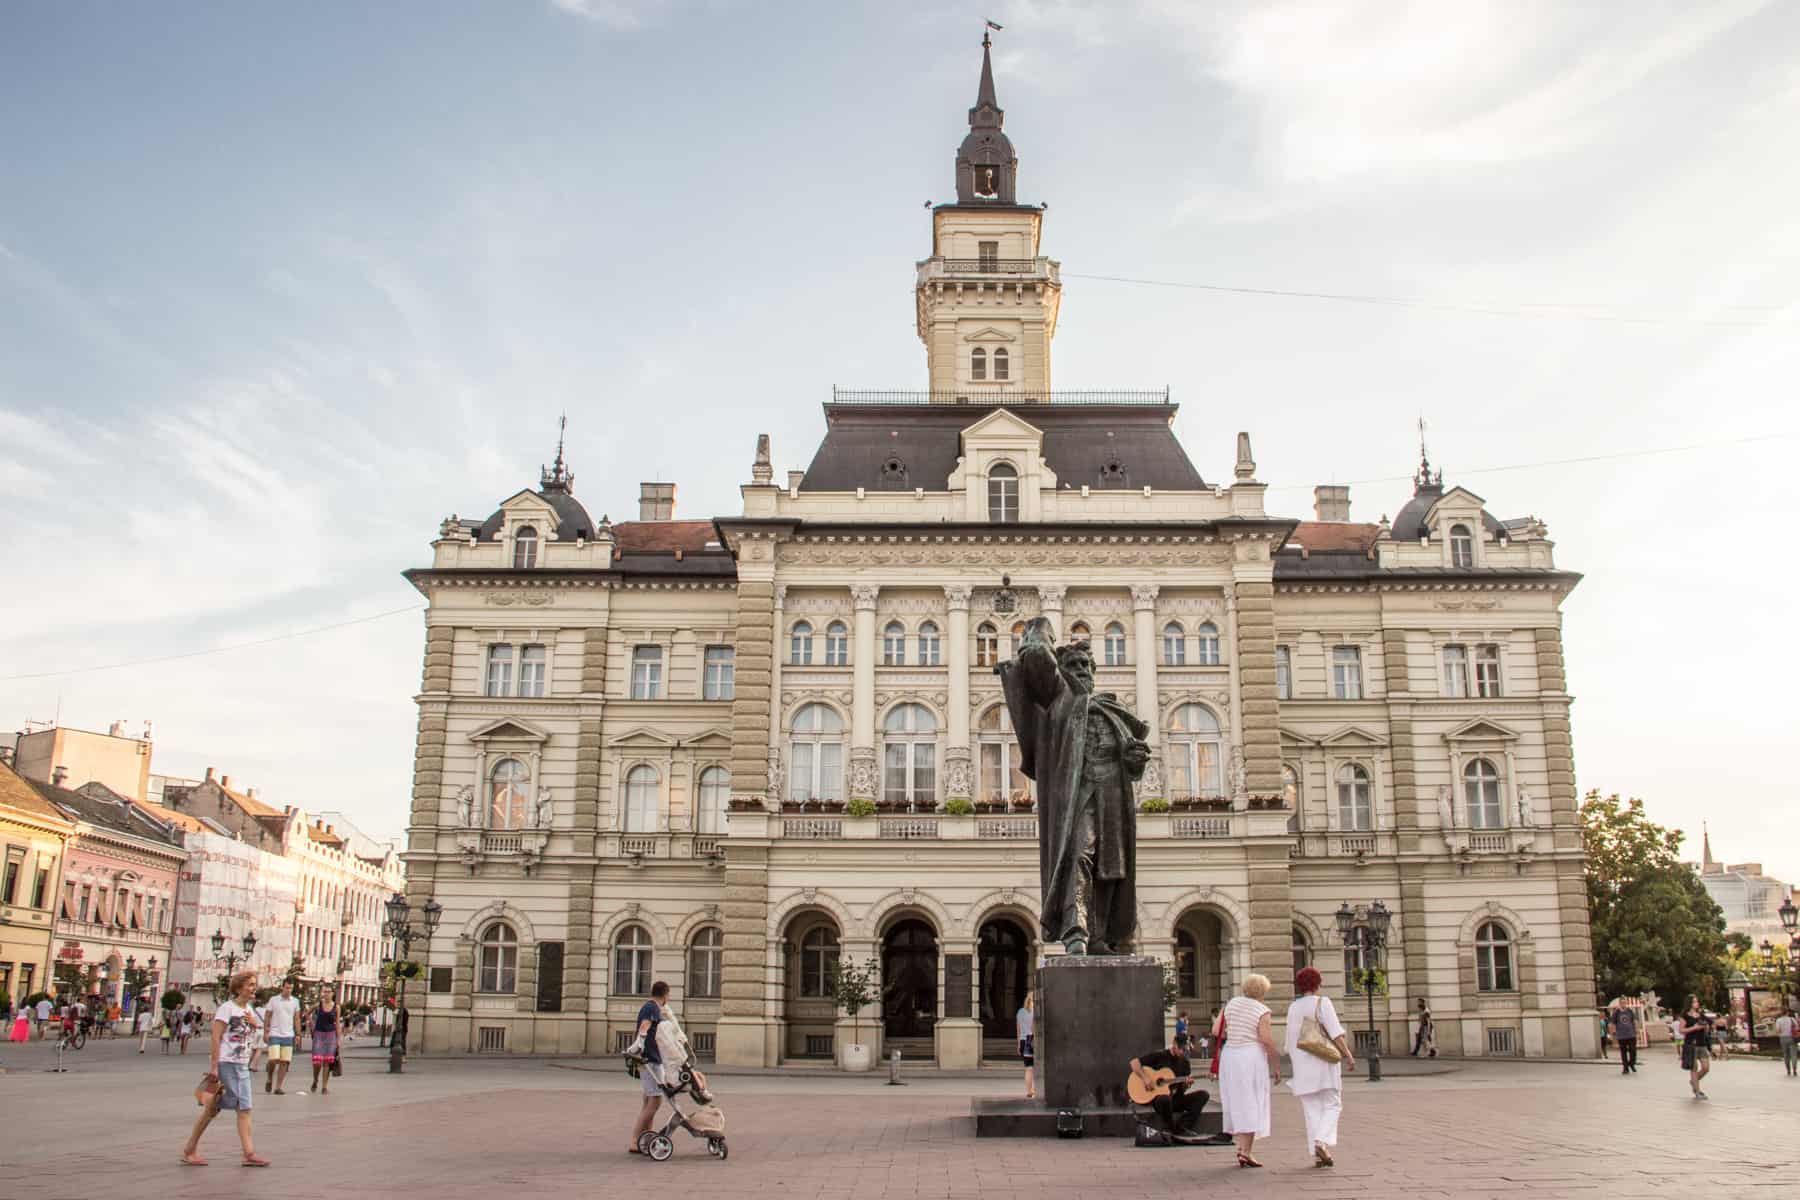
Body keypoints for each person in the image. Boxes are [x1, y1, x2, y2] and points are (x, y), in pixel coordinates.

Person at [180, 969, 269, 1167]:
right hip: (227, 1064)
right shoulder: (226, 1009)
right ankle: (190, 1149)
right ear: (239, 988)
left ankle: (248, 1153)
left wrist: (255, 1024)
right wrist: (214, 1066)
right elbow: (216, 1036)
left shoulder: (249, 1010)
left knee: (242, 1108)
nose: (254, 988)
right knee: (219, 1109)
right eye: (250, 984)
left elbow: (253, 1035)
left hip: (242, 1066)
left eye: (255, 984)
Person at [1286, 966, 1355, 1168]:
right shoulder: (1323, 1002)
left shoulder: (1293, 1007)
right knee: (1333, 1103)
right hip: (1323, 1060)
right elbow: (1335, 1032)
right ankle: (1321, 1141)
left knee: (1312, 1109)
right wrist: (1347, 1054)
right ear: (1318, 984)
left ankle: (1317, 1153)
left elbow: (1290, 1041)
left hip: (1302, 1065)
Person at [1219, 973, 1281, 1169]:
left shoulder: (1231, 1004)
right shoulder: (1262, 1010)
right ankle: (1245, 1152)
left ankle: (1243, 1148)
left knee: (1236, 1101)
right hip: (1250, 1057)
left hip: (1229, 1056)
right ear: (1263, 991)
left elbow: (1216, 1031)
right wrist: (1276, 1062)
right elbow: (1265, 1038)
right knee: (1253, 1101)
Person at [1129, 1032, 1211, 1143]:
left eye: (1185, 1049)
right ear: (1174, 1044)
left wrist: (1186, 1085)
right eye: (1181, 1048)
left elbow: (1181, 1089)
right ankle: (1172, 1128)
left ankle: (1181, 1126)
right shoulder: (1160, 1056)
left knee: (1203, 1095)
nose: (1183, 1052)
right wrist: (1145, 1078)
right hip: (1161, 1101)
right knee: (1164, 1098)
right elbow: (1134, 1063)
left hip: (1176, 1099)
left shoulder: (1185, 1063)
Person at [628, 981, 672, 1155]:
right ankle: (634, 1139)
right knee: (655, 1100)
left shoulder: (649, 1006)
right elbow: (645, 1026)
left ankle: (645, 1136)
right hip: (650, 1059)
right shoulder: (653, 1007)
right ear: (665, 994)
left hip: (649, 1059)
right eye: (669, 995)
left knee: (648, 1100)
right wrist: (639, 1042)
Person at [263, 981, 301, 1094]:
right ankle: (269, 1078)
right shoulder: (274, 1000)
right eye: (287, 988)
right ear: (282, 987)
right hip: (275, 1033)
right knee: (273, 1059)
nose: (288, 990)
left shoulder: (295, 1001)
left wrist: (298, 1034)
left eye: (291, 988)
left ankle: (278, 1087)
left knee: (285, 1062)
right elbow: (267, 1015)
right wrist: (266, 1031)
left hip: (288, 1035)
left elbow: (297, 1018)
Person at [1676, 995, 1712, 1100]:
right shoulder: (1684, 1016)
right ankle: (1697, 1091)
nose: (1697, 1003)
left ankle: (1693, 1081)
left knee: (1706, 1068)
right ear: (1690, 1004)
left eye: (1697, 1001)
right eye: (1695, 1002)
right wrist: (1694, 1027)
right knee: (1694, 1068)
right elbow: (1681, 1030)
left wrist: (1706, 1026)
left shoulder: (1700, 1014)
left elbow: (1709, 1024)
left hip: (1702, 1043)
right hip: (1691, 1044)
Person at [308, 986, 340, 1095]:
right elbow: (307, 1013)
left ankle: (324, 1086)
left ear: (333, 993)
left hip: (331, 1035)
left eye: (328, 992)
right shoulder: (318, 1005)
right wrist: (311, 1023)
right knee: (317, 1062)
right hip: (319, 1034)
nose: (326, 994)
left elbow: (337, 1024)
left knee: (327, 1062)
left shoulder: (336, 1007)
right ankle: (315, 1079)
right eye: (324, 992)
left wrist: (338, 1039)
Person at [1016, 992, 1036, 1100]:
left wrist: (1018, 1044)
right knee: (1036, 1068)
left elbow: (1018, 1030)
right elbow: (1033, 1029)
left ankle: (1029, 1091)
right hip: (1032, 1040)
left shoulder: (1020, 1012)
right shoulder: (1035, 1012)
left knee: (1028, 1068)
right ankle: (1034, 1090)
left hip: (1024, 1041)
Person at [1612, 1005, 1639, 1074]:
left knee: (1633, 1050)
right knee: (1623, 1052)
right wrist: (1614, 1032)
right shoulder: (1616, 1012)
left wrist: (1636, 1029)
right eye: (1622, 1002)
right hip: (1621, 1035)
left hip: (1631, 1034)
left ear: (1626, 1003)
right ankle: (1625, 1067)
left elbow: (1634, 1020)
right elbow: (1613, 1023)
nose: (1623, 1004)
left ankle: (1631, 1063)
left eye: (1624, 1002)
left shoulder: (1630, 1011)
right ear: (1620, 1003)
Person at [1776, 1008, 1797, 1077]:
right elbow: (1797, 1028)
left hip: (1783, 1038)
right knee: (1793, 1054)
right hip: (1792, 1038)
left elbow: (1778, 1031)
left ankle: (1788, 1070)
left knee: (1786, 1055)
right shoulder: (1792, 1019)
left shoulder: (1778, 1020)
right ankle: (1794, 1070)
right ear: (1787, 1012)